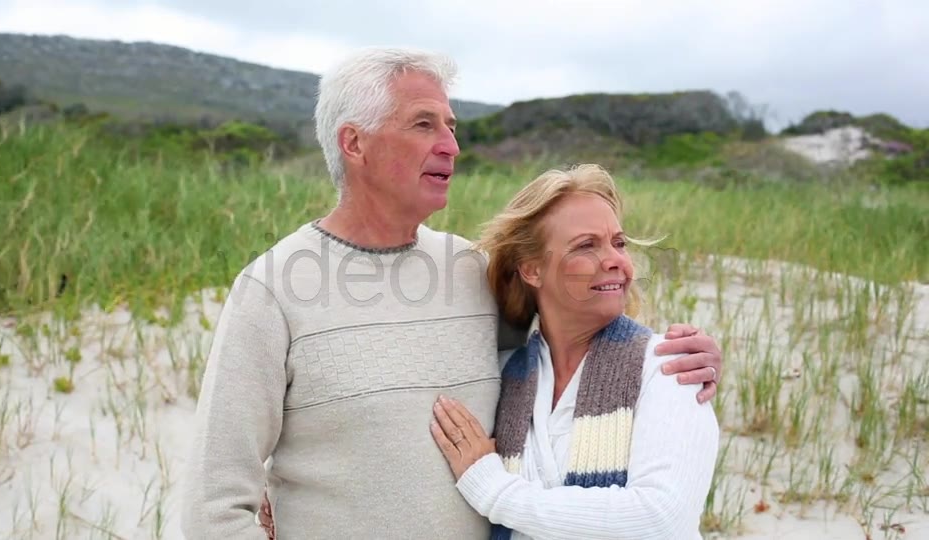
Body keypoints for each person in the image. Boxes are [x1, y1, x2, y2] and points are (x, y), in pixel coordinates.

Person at [180, 47, 723, 539]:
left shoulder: (471, 271)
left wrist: (686, 355)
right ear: (355, 143)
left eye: (451, 125)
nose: (452, 146)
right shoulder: (272, 288)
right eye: (424, 124)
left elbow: (577, 326)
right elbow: (215, 506)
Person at [429, 164, 720, 539]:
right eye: (586, 245)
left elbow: (662, 517)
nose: (616, 259)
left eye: (618, 242)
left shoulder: (670, 366)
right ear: (532, 269)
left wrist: (494, 491)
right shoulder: (507, 375)